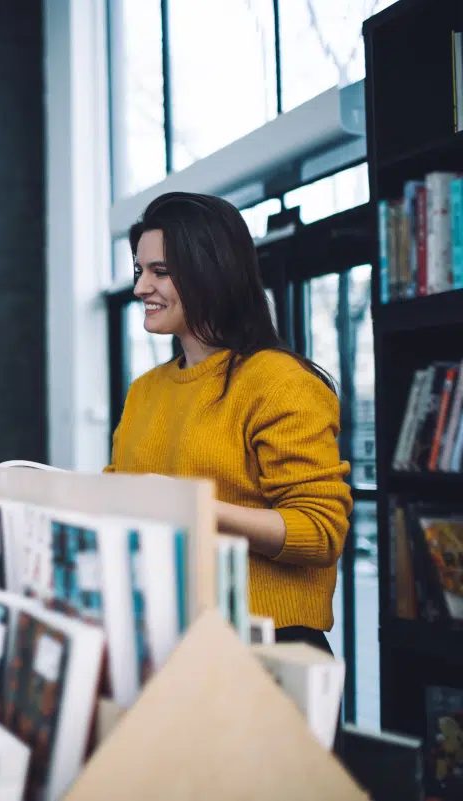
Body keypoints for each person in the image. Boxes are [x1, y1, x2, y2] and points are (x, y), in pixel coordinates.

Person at [105, 191, 352, 654]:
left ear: (209, 271)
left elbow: (319, 531)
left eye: (160, 272)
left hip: (268, 649)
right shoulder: (145, 391)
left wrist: (195, 510)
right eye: (141, 272)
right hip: (169, 641)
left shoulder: (279, 382)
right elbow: (126, 499)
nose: (140, 288)